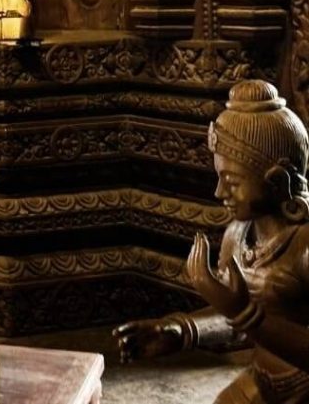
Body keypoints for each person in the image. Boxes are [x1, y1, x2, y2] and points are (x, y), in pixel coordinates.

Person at [114, 80, 309, 404]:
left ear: (276, 180)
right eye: (219, 177)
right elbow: (235, 321)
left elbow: (243, 316)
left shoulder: (303, 246)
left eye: (231, 181)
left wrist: (246, 312)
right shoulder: (238, 234)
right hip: (263, 379)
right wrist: (181, 331)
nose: (219, 193)